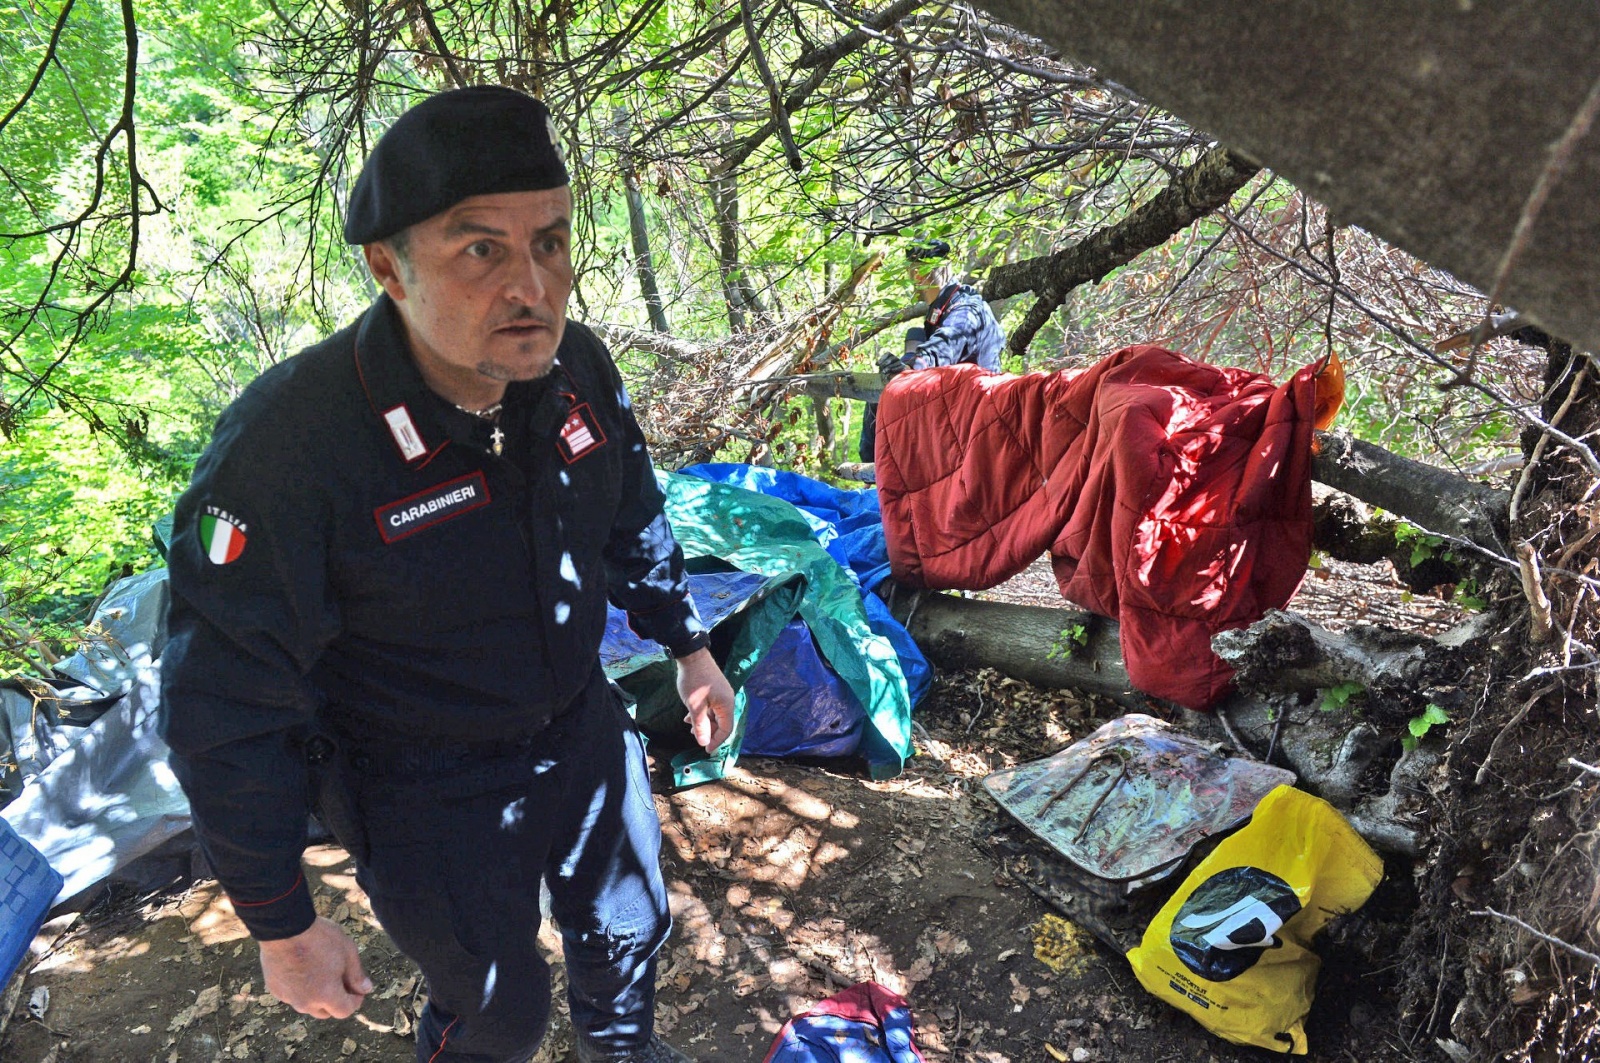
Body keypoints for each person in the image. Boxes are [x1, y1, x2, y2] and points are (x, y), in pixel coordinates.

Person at [160, 86, 737, 1063]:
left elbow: (630, 509)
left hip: (578, 726)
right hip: (417, 779)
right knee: (499, 1011)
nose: (531, 287)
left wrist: (688, 645)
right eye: (481, 249)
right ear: (388, 265)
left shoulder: (577, 369)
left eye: (549, 242)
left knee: (631, 931)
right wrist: (280, 919)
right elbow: (224, 699)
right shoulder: (291, 450)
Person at [857, 239, 1005, 462]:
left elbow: (944, 346)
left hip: (976, 424)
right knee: (913, 339)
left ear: (917, 274)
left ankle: (876, 469)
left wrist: (909, 369)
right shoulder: (948, 308)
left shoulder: (965, 311)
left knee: (885, 392)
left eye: (910, 272)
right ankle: (876, 471)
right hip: (959, 414)